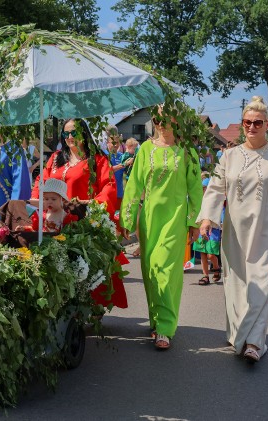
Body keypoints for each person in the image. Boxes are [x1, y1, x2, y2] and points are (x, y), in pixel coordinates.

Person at [197, 96, 268, 363]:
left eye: (257, 122)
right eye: (247, 122)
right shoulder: (230, 156)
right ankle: (238, 333)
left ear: (267, 124)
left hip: (266, 232)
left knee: (261, 286)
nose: (251, 127)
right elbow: (215, 188)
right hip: (235, 233)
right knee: (236, 285)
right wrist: (207, 219)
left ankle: (255, 342)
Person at [120, 106, 203, 350]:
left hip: (175, 219)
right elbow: (134, 186)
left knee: (166, 271)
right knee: (150, 270)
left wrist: (193, 221)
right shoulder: (145, 149)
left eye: (166, 118)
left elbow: (195, 189)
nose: (161, 123)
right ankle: (156, 319)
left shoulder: (187, 151)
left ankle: (166, 327)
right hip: (149, 219)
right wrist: (127, 219)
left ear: (177, 119)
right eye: (157, 118)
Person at [32, 118, 127, 309]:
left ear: (83, 133)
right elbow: (41, 181)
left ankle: (89, 309)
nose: (69, 137)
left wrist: (90, 204)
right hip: (54, 220)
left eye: (73, 132)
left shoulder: (97, 159)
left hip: (82, 221)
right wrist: (37, 201)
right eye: (65, 134)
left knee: (84, 268)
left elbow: (108, 187)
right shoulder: (56, 158)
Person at [194, 176, 223, 285]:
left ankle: (216, 267)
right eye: (203, 188)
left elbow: (222, 213)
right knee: (202, 253)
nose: (204, 190)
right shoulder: (199, 200)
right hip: (201, 228)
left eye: (206, 188)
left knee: (210, 254)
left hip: (214, 230)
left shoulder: (217, 200)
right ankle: (205, 276)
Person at [106, 133, 125, 210]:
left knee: (117, 219)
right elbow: (107, 171)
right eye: (113, 143)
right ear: (108, 143)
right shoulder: (104, 155)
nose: (115, 145)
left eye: (117, 143)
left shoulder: (122, 156)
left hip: (119, 193)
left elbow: (127, 172)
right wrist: (123, 165)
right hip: (107, 193)